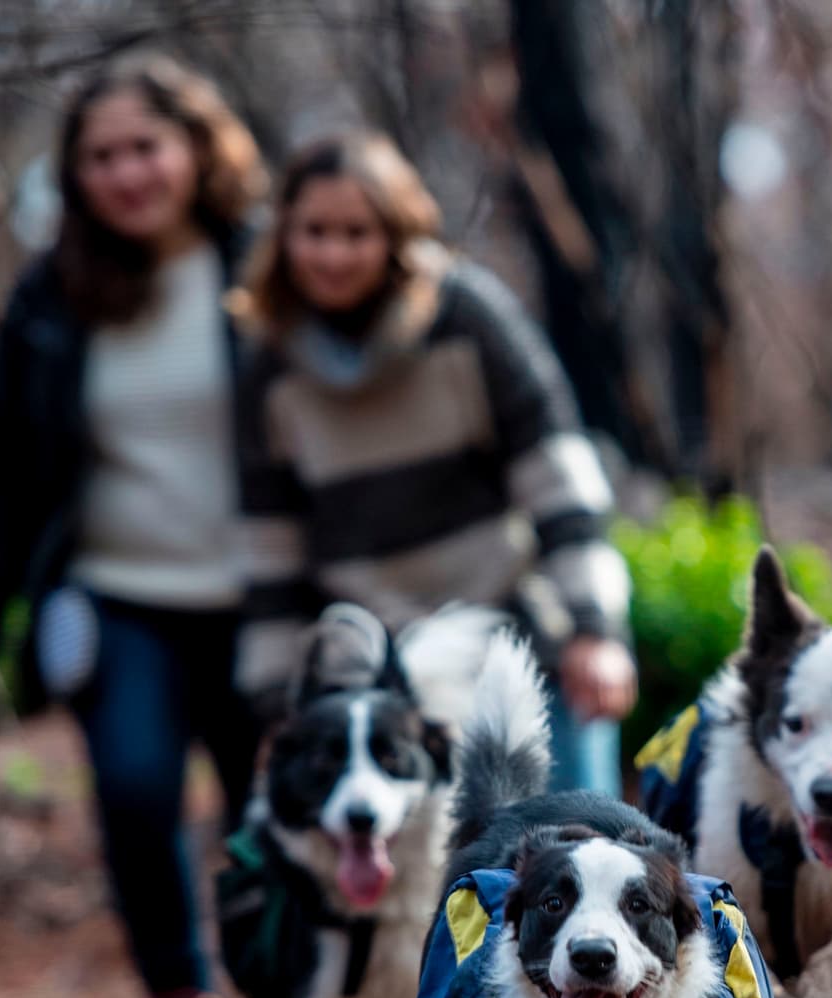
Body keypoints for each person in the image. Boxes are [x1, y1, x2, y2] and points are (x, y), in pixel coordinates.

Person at [0, 55, 277, 998]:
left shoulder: (269, 264)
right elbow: (4, 474)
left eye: (145, 147)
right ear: (76, 178)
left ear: (195, 149)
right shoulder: (52, 298)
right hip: (120, 599)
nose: (127, 172)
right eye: (101, 157)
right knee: (134, 792)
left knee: (277, 824)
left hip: (267, 601)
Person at [234, 131, 637, 794]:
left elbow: (560, 482)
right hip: (373, 671)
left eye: (356, 231)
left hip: (512, 631)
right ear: (284, 236)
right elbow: (270, 550)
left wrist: (597, 630)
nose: (333, 253)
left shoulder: (467, 318)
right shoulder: (268, 370)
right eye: (314, 231)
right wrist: (278, 705)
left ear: (394, 233)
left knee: (580, 835)